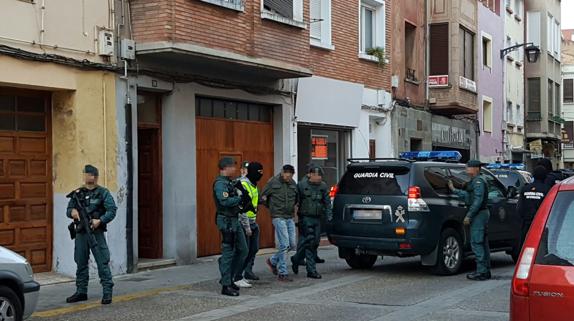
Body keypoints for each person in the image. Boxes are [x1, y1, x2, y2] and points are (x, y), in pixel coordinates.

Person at [66, 165, 117, 305]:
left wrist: (100, 220)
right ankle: (81, 291)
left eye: (86, 174)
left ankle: (107, 291)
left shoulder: (103, 193)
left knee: (102, 261)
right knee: (80, 261)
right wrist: (72, 212)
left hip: (96, 233)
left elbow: (112, 210)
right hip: (81, 233)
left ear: (93, 176)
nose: (84, 176)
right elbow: (69, 209)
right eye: (84, 174)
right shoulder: (78, 193)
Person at [448, 160, 491, 281]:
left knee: (477, 242)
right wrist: (454, 189)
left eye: (469, 168)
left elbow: (477, 200)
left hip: (479, 214)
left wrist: (469, 215)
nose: (467, 170)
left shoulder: (478, 181)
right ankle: (485, 270)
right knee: (482, 242)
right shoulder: (477, 180)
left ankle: (482, 272)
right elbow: (468, 195)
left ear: (476, 168)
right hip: (480, 214)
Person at [213, 157, 249, 296]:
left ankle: (229, 276)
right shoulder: (220, 184)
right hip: (226, 221)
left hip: (235, 219)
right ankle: (226, 284)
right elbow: (224, 201)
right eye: (233, 167)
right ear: (225, 168)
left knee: (243, 250)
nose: (235, 169)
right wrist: (240, 198)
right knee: (228, 253)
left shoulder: (230, 182)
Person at [291, 165, 331, 279]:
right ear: (311, 175)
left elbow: (327, 202)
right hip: (306, 218)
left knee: (315, 242)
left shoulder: (323, 186)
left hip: (318, 218)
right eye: (317, 175)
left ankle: (296, 258)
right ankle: (311, 270)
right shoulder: (301, 185)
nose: (319, 178)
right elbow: (294, 201)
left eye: (321, 176)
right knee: (309, 242)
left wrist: (329, 217)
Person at [261, 165, 299, 282]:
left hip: (289, 217)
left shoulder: (293, 183)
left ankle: (272, 261)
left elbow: (296, 199)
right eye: (286, 174)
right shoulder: (273, 182)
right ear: (282, 172)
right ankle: (283, 273)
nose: (288, 177)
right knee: (284, 244)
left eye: (290, 175)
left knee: (292, 244)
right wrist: (272, 208)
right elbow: (263, 197)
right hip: (278, 216)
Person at [234, 161, 264, 285]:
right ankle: (237, 276)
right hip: (244, 223)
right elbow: (242, 208)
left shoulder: (254, 184)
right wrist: (247, 227)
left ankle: (245, 272)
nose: (260, 175)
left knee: (254, 249)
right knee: (243, 250)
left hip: (253, 221)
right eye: (259, 172)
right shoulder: (243, 184)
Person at [516, 165, 550, 245]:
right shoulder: (547, 189)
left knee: (525, 244)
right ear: (545, 176)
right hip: (541, 224)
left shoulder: (525, 189)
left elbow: (519, 208)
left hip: (527, 224)